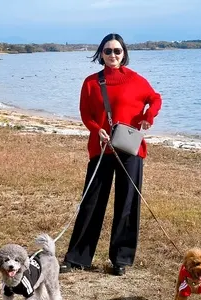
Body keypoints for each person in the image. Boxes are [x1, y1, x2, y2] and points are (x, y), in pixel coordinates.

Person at [60, 33, 162, 275]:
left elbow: (155, 99)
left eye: (117, 51)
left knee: (127, 203)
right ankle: (77, 258)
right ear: (101, 54)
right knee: (91, 202)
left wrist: (149, 117)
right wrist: (98, 131)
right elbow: (86, 114)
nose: (113, 55)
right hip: (102, 147)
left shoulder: (136, 80)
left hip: (130, 149)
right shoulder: (91, 82)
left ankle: (121, 260)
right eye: (108, 51)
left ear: (124, 53)